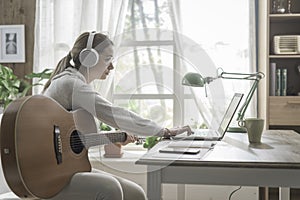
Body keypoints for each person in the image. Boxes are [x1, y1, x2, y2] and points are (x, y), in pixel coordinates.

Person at [43, 31, 192, 200]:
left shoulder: (73, 83)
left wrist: (113, 137)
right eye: (107, 59)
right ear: (88, 58)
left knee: (136, 194)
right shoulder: (72, 84)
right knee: (111, 190)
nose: (112, 67)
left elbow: (71, 142)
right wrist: (164, 131)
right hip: (49, 174)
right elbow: (115, 115)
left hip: (64, 168)